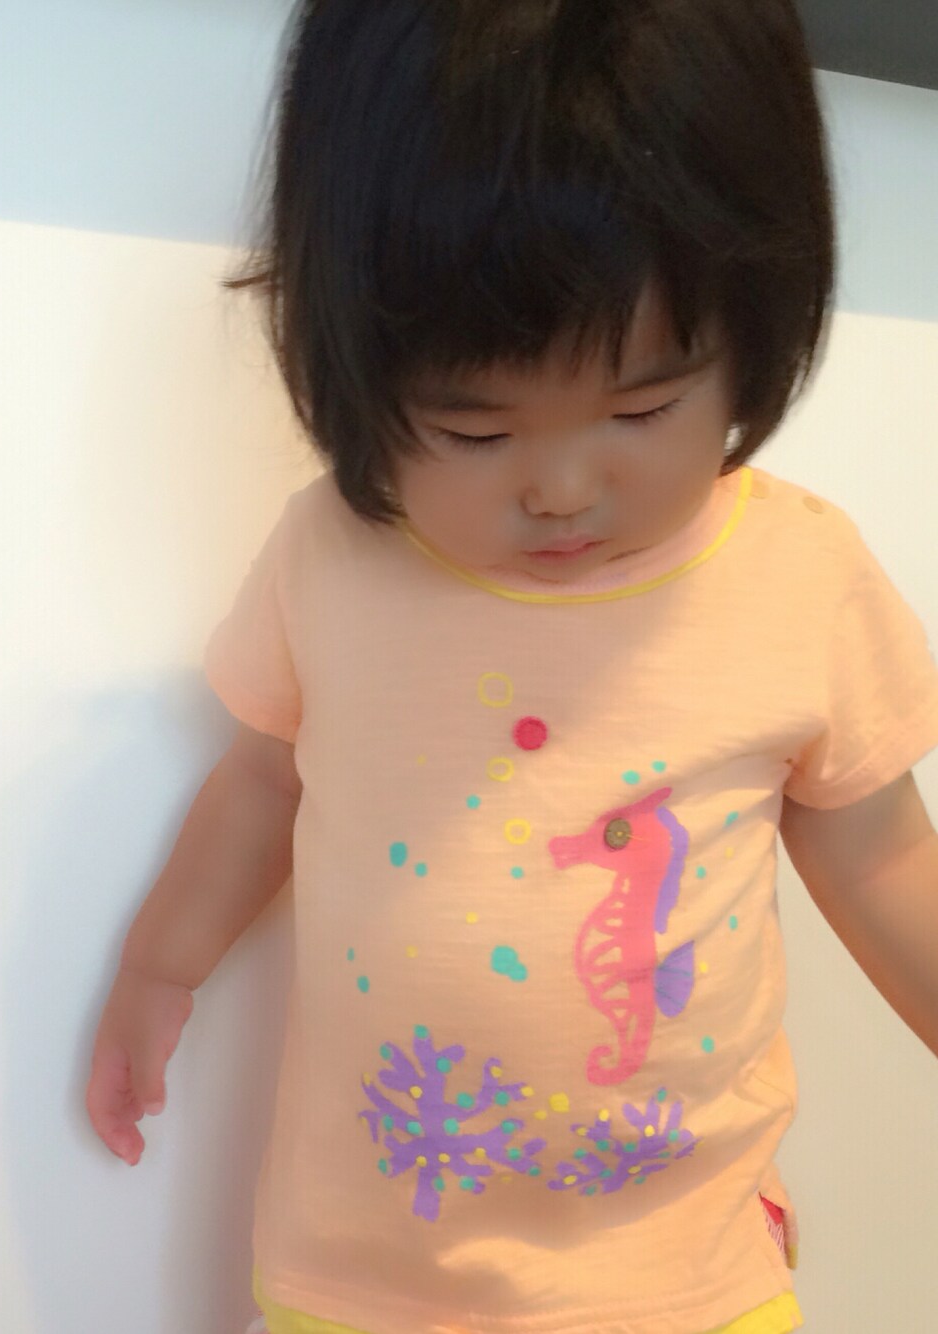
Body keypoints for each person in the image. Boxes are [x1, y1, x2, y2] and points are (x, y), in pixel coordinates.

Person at [85, 2, 938, 1331]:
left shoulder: (798, 574)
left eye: (643, 408)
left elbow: (880, 853)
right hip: (361, 1279)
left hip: (686, 1279)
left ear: (757, 331)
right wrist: (159, 967)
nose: (562, 488)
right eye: (475, 431)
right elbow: (262, 781)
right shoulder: (332, 555)